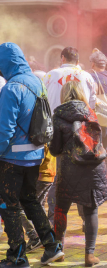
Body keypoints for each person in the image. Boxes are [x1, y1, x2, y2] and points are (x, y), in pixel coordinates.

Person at [0, 42, 64, 267]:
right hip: (35, 155)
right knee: (30, 200)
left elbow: (5, 129)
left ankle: (17, 256)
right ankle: (52, 246)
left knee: (8, 205)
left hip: (11, 158)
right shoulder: (37, 82)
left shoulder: (11, 88)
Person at [50, 81, 107, 267]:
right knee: (91, 210)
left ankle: (58, 251)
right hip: (93, 168)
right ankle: (89, 255)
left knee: (61, 208)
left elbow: (55, 148)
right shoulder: (91, 113)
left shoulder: (59, 116)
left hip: (69, 169)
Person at [43, 47, 97, 224]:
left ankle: (53, 221)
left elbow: (42, 102)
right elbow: (92, 107)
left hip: (54, 130)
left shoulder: (50, 75)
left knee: (57, 177)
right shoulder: (88, 77)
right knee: (82, 176)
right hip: (81, 133)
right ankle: (86, 220)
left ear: (62, 58)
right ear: (78, 59)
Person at [19, 146, 56, 253]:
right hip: (49, 174)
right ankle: (48, 237)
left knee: (20, 207)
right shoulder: (50, 133)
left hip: (41, 175)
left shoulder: (42, 134)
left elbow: (40, 157)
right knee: (39, 206)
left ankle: (34, 237)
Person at [88, 51, 107, 149]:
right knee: (103, 154)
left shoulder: (92, 77)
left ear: (93, 64)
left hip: (99, 120)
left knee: (95, 154)